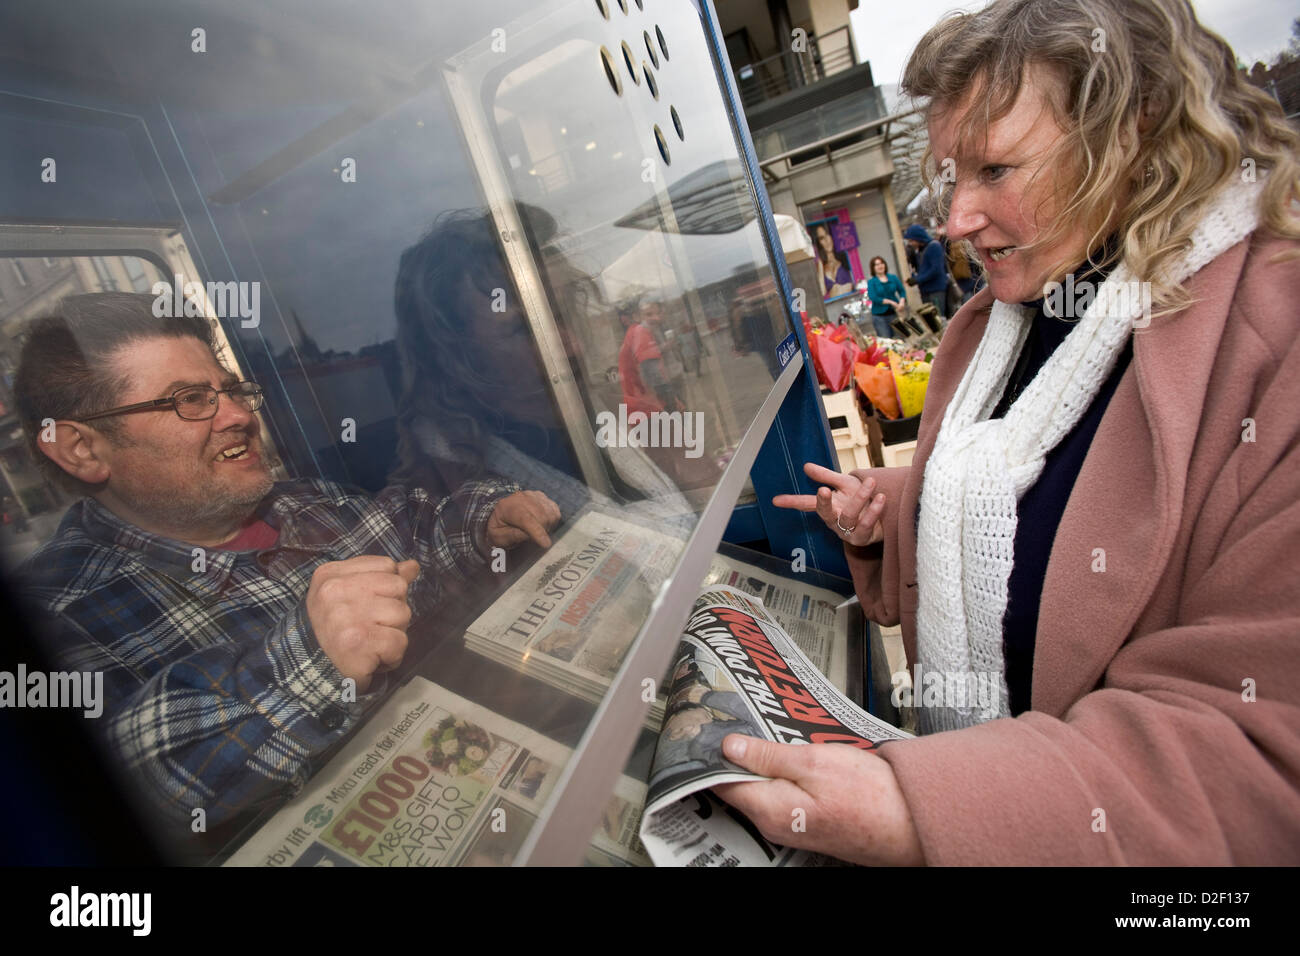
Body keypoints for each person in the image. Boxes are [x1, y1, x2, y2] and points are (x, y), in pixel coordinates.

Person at [714, 0, 1300, 864]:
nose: (954, 219)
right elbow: (1051, 503)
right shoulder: (989, 325)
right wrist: (902, 505)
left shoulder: (1274, 338)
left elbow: (1258, 745)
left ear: (1130, 134)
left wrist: (929, 811)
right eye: (952, 175)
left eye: (996, 169)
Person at [12, 292, 561, 846]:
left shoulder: (304, 500)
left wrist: (483, 520)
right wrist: (312, 661)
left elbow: (415, 530)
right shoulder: (56, 617)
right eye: (189, 400)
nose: (238, 415)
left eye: (230, 390)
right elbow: (141, 778)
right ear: (80, 448)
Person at [902, 223, 950, 321]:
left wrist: (918, 280)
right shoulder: (919, 250)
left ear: (918, 238)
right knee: (931, 320)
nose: (910, 243)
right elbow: (920, 269)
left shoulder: (934, 246)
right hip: (925, 291)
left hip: (936, 289)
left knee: (939, 318)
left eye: (911, 240)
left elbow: (935, 269)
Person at [865, 256, 908, 339]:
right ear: (873, 268)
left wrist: (902, 301)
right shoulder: (872, 282)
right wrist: (890, 302)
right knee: (887, 341)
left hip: (894, 314)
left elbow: (902, 291)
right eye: (877, 265)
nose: (880, 266)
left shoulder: (893, 278)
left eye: (881, 263)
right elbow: (873, 297)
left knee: (901, 338)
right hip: (879, 317)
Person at [813, 223, 854, 299]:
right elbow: (822, 292)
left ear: (832, 236)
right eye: (822, 238)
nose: (826, 240)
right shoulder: (821, 266)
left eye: (827, 235)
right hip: (835, 306)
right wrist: (820, 264)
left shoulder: (845, 258)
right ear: (819, 243)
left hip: (852, 302)